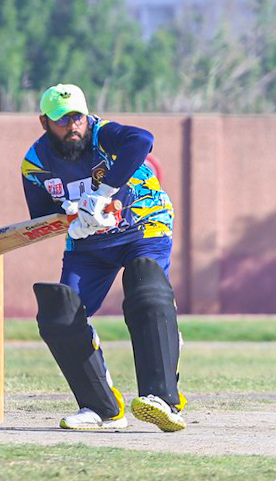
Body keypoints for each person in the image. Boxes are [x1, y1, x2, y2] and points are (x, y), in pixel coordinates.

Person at [20, 83, 187, 431]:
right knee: (60, 313)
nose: (72, 126)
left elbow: (142, 140)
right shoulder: (35, 164)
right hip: (89, 243)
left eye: (77, 117)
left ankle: (162, 398)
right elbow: (42, 215)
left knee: (145, 284)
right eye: (62, 119)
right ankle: (101, 408)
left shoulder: (103, 134)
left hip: (144, 225)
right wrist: (70, 216)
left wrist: (103, 193)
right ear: (44, 122)